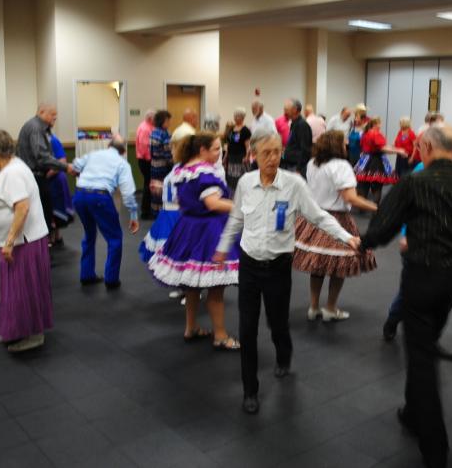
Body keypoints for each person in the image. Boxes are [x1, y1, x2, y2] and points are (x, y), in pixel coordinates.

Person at [360, 125, 452, 468]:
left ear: (425, 146)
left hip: (420, 278)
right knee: (423, 344)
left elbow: (382, 227)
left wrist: (363, 243)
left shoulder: (414, 182)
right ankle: (413, 412)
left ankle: (435, 447)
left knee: (422, 358)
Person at [214, 130, 360, 415]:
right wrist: (222, 248)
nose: (273, 158)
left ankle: (284, 354)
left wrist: (347, 237)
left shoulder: (294, 184)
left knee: (277, 322)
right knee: (247, 328)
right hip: (249, 265)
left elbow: (318, 216)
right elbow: (236, 219)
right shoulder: (245, 183)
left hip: (279, 266)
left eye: (277, 152)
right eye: (266, 153)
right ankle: (250, 390)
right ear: (253, 155)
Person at [383, 127, 452, 355]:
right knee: (412, 293)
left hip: (450, 248)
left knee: (445, 298)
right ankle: (393, 319)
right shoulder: (423, 169)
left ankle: (431, 340)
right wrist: (406, 234)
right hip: (420, 242)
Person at [149, 132, 240, 350]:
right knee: (216, 288)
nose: (220, 153)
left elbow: (181, 200)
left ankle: (191, 327)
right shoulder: (204, 173)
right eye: (216, 149)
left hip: (188, 227)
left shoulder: (182, 170)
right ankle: (220, 335)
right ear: (202, 150)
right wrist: (242, 207)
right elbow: (213, 204)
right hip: (208, 230)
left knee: (192, 287)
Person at [0, 130, 53, 353]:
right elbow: (5, 198)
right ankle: (16, 329)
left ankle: (33, 334)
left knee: (25, 288)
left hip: (24, 241)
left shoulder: (13, 172)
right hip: (19, 241)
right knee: (14, 288)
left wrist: (9, 241)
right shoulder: (10, 168)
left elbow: (22, 207)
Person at [293, 130, 377, 322]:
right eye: (344, 142)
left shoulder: (313, 163)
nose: (346, 145)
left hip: (313, 218)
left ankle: (314, 306)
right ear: (337, 145)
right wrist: (377, 207)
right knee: (339, 264)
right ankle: (330, 308)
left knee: (317, 264)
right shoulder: (341, 166)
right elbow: (350, 198)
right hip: (337, 220)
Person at [70, 135, 140, 290]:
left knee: (89, 234)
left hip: (79, 195)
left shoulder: (93, 154)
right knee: (114, 238)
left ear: (108, 145)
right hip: (100, 197)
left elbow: (75, 165)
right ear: (123, 151)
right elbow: (128, 193)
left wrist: (80, 172)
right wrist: (133, 215)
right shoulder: (122, 163)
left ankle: (86, 274)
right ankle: (111, 279)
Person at [16, 105, 70, 247]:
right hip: (36, 177)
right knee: (42, 214)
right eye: (52, 114)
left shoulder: (38, 128)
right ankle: (42, 248)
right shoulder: (36, 128)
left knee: (43, 212)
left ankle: (43, 245)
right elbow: (41, 156)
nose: (55, 117)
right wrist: (66, 167)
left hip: (35, 176)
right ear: (41, 112)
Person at [354, 117, 405, 205]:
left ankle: (361, 207)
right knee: (377, 187)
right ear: (375, 124)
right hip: (376, 162)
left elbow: (369, 146)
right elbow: (382, 148)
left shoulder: (365, 134)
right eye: (379, 123)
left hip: (365, 161)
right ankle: (374, 208)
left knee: (363, 186)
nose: (380, 125)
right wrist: (398, 151)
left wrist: (394, 148)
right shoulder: (376, 134)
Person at [48, 133, 74, 245]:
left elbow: (62, 161)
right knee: (51, 208)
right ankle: (55, 237)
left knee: (54, 207)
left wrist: (46, 175)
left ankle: (54, 237)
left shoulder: (53, 140)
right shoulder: (39, 140)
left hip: (55, 178)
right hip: (50, 179)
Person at [149, 110, 173, 215]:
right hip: (163, 166)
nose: (169, 123)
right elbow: (168, 152)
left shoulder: (153, 132)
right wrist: (173, 163)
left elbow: (150, 150)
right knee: (163, 189)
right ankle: (162, 213)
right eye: (168, 121)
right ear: (162, 121)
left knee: (155, 189)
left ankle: (155, 211)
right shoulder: (165, 134)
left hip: (154, 164)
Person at [281, 98, 312, 175]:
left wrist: (299, 169)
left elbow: (305, 150)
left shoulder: (302, 125)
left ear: (295, 110)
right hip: (290, 165)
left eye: (286, 110)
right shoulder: (294, 124)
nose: (284, 112)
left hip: (296, 167)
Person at [223, 108, 251, 192]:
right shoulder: (231, 129)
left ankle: (241, 192)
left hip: (240, 158)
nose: (235, 118)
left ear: (242, 117)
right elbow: (229, 144)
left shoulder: (245, 130)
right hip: (231, 157)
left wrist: (247, 156)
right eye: (235, 116)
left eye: (237, 116)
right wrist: (225, 157)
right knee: (231, 178)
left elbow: (248, 146)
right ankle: (232, 194)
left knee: (239, 178)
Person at [135, 109, 155, 219]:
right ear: (150, 118)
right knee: (148, 185)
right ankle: (145, 212)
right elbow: (144, 147)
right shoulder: (145, 128)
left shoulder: (146, 126)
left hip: (144, 160)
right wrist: (151, 160)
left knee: (148, 185)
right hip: (146, 161)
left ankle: (147, 210)